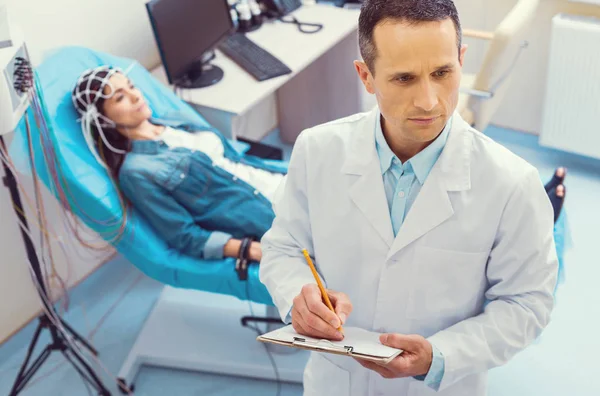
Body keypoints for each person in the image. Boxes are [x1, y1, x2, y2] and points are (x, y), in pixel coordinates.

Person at [259, 1, 561, 395]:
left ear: (461, 59)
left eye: (442, 73)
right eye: (404, 78)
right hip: (336, 383)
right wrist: (297, 297)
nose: (429, 101)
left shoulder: (512, 184)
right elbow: (284, 248)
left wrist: (440, 356)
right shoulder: (317, 151)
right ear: (365, 76)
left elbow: (526, 304)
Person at [71, 66, 287, 264]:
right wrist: (250, 249)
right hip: (273, 218)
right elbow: (184, 236)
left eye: (131, 86)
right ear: (103, 119)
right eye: (120, 98)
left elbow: (235, 162)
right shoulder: (136, 172)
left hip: (281, 180)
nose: (136, 96)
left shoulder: (175, 122)